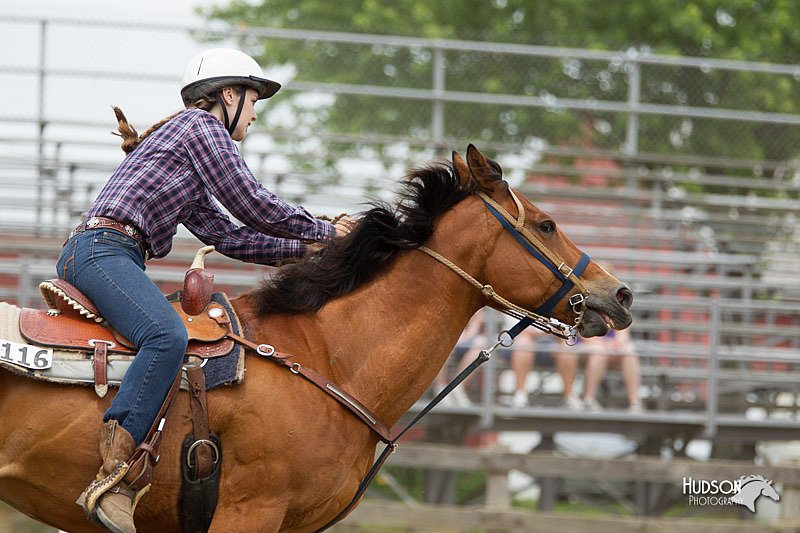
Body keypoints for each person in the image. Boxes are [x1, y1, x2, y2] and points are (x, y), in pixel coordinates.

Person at [59, 48, 352, 533]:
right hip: (103, 250)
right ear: (228, 95)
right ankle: (114, 477)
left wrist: (311, 252)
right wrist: (326, 231)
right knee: (166, 337)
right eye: (254, 101)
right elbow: (253, 203)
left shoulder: (188, 157)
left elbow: (232, 236)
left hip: (106, 250)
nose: (255, 115)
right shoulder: (202, 130)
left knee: (164, 335)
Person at [555, 327, 642, 412]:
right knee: (599, 353)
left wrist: (617, 345)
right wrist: (607, 345)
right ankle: (589, 399)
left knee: (630, 352)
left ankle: (634, 402)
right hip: (587, 347)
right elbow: (587, 337)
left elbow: (623, 335)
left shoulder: (619, 314)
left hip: (612, 348)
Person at [433, 309, 486, 407]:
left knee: (481, 343)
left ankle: (457, 387)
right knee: (441, 344)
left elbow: (472, 332)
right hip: (449, 341)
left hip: (465, 343)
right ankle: (441, 389)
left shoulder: (478, 311)